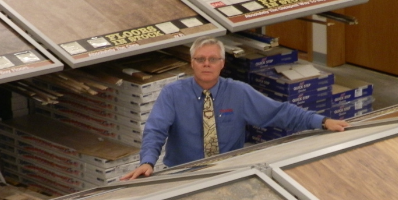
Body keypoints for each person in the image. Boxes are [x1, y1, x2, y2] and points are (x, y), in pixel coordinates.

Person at [120, 36, 349, 180]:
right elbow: (155, 130)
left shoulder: (239, 92)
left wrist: (321, 121)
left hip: (228, 174)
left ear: (222, 63)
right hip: (182, 176)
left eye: (212, 59)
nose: (206, 64)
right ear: (192, 63)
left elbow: (279, 112)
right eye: (200, 59)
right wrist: (147, 162)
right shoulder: (172, 93)